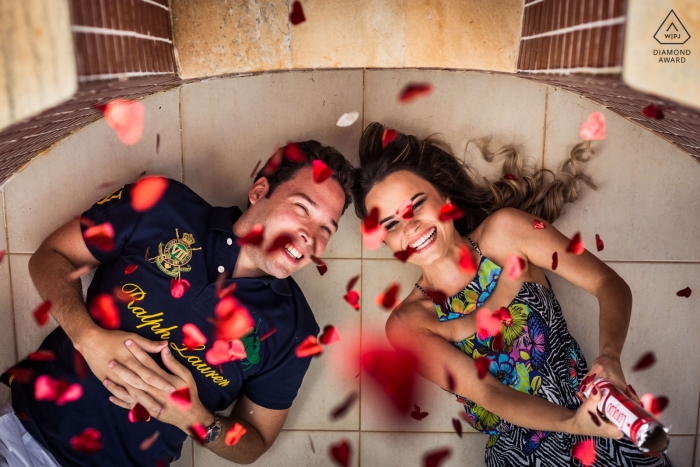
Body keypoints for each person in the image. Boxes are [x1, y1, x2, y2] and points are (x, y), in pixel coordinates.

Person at [0, 141, 355, 467]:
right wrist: (85, 337)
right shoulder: (160, 205)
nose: (313, 235)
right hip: (21, 437)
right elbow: (52, 256)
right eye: (302, 208)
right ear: (259, 191)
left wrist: (196, 420)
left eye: (327, 228)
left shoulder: (295, 330)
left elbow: (257, 440)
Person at [351, 122, 672, 466]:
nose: (410, 226)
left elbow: (608, 284)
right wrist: (572, 424)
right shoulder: (407, 324)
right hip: (521, 457)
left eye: (415, 204)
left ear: (445, 198)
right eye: (390, 225)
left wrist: (610, 356)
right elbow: (489, 392)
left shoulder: (507, 233)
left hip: (606, 417)